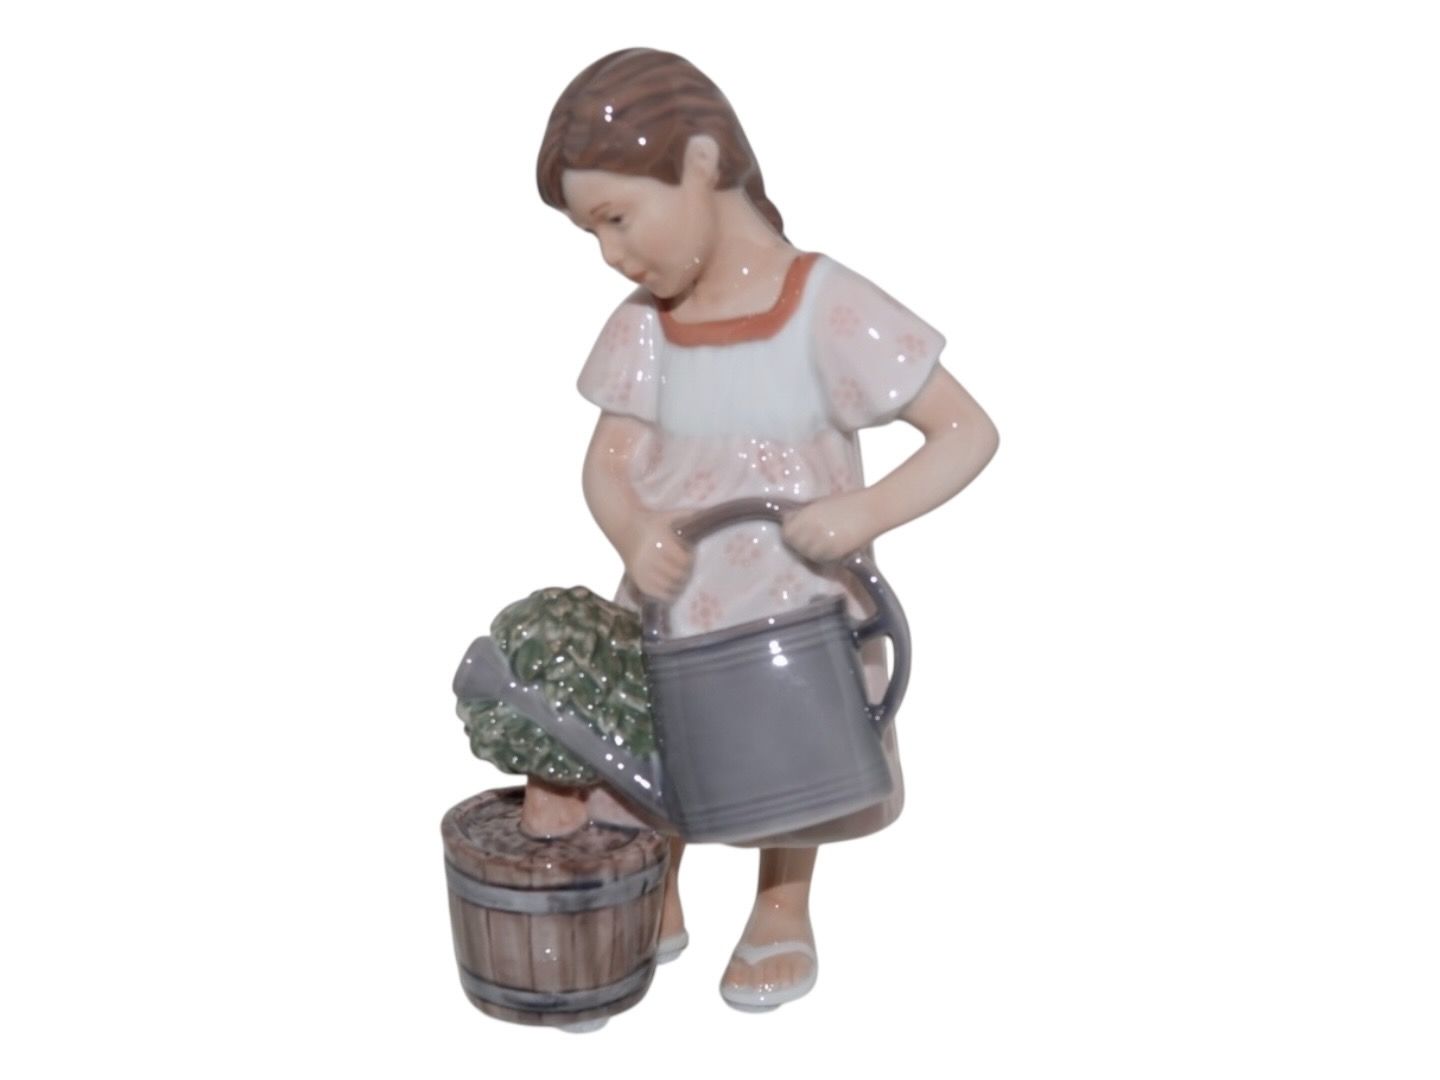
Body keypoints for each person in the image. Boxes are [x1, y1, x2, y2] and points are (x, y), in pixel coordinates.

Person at [531, 47, 1000, 1010]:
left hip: (796, 602)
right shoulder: (645, 327)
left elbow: (967, 432)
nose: (612, 254)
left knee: (795, 759)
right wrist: (633, 531)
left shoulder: (826, 306)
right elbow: (606, 463)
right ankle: (657, 879)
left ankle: (781, 904)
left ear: (702, 163)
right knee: (654, 741)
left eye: (617, 218)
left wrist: (865, 511)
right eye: (592, 233)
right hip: (674, 598)